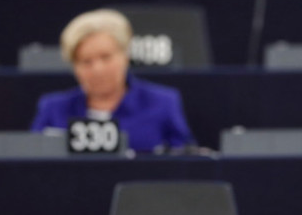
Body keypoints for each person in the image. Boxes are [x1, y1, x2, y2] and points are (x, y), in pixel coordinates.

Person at [31, 9, 195, 153]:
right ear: (74, 67)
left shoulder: (163, 103)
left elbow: (185, 163)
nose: (98, 69)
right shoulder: (53, 108)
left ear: (125, 55)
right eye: (86, 61)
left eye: (106, 57)